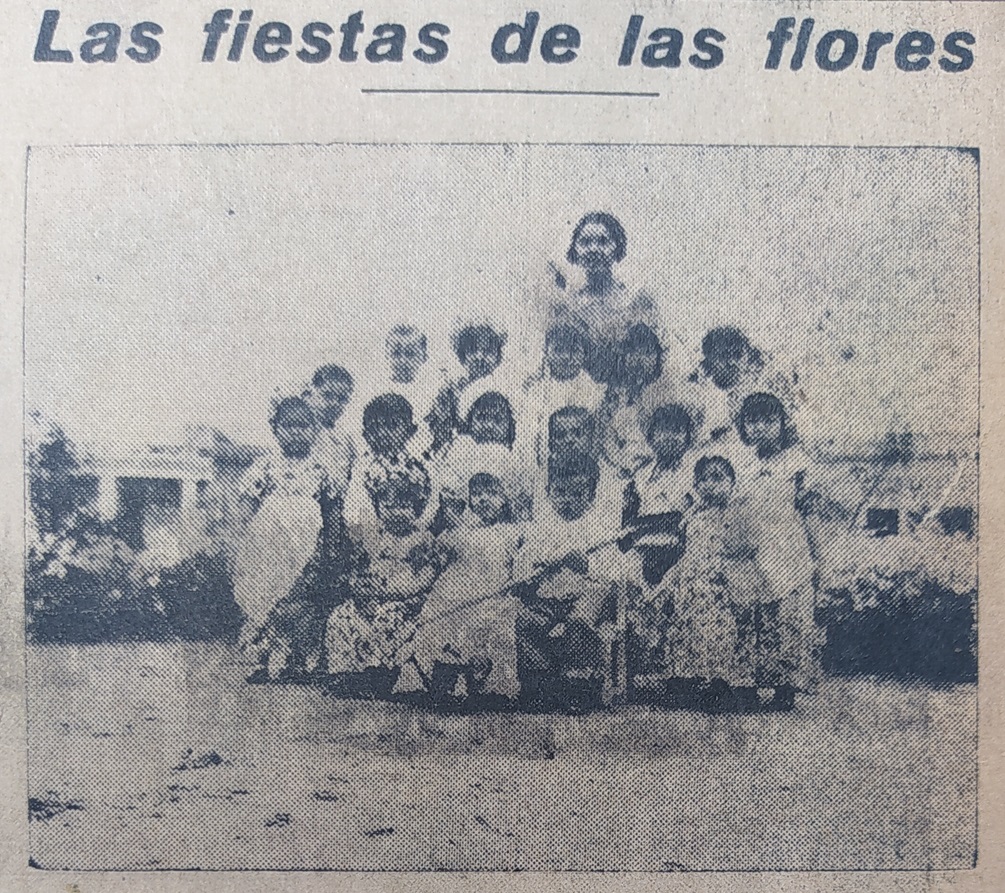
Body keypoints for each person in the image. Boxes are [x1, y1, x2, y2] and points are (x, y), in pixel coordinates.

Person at [325, 463, 453, 697]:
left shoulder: (421, 541)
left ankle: (380, 674)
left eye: (404, 506)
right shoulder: (378, 539)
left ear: (417, 509)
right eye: (388, 506)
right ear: (378, 508)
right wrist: (363, 589)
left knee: (387, 616)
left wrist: (390, 592)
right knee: (341, 616)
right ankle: (347, 673)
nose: (395, 512)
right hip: (376, 595)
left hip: (408, 601)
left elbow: (425, 579)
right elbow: (364, 570)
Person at [512, 453, 625, 711]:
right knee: (528, 621)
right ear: (549, 493)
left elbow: (613, 569)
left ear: (592, 495)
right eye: (560, 492)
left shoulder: (598, 527)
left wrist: (585, 564)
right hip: (549, 597)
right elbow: (524, 561)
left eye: (577, 494)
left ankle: (580, 685)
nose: (568, 500)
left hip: (587, 595)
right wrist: (525, 576)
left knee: (579, 622)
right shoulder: (540, 528)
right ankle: (538, 684)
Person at [733, 392, 823, 708]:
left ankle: (787, 687)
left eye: (769, 421)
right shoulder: (740, 462)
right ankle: (753, 684)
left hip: (788, 545)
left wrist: (817, 553)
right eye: (753, 421)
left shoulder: (796, 461)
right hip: (752, 547)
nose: (761, 428)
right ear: (743, 426)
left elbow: (807, 510)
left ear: (783, 424)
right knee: (756, 616)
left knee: (790, 616)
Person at [233, 397, 333, 681]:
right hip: (269, 547)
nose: (296, 432)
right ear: (275, 429)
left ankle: (299, 661)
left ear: (314, 430)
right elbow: (247, 503)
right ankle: (260, 660)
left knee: (300, 600)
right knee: (265, 599)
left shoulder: (320, 469)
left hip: (305, 546)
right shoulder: (265, 466)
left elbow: (330, 509)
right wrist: (246, 538)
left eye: (303, 426)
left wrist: (328, 546)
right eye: (288, 426)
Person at [412, 472, 522, 708]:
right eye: (477, 494)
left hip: (496, 597)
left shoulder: (512, 532)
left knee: (497, 632)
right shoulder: (461, 531)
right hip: (459, 596)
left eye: (491, 493)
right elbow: (438, 554)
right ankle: (445, 678)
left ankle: (491, 686)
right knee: (448, 626)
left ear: (504, 498)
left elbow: (519, 566)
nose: (483, 499)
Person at [552, 212, 657, 384]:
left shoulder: (635, 303)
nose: (593, 249)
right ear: (575, 249)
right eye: (585, 242)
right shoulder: (567, 306)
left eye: (603, 241)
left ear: (617, 247)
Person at [689, 326, 800, 447]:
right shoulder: (698, 395)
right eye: (723, 356)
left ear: (747, 355)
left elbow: (788, 431)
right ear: (710, 359)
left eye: (737, 355)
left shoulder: (763, 388)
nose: (731, 362)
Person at [427, 323, 508, 457]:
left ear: (497, 356)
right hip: (459, 453)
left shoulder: (502, 391)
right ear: (463, 354)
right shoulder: (451, 390)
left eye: (488, 351)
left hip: (495, 453)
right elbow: (439, 428)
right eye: (472, 350)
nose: (480, 357)